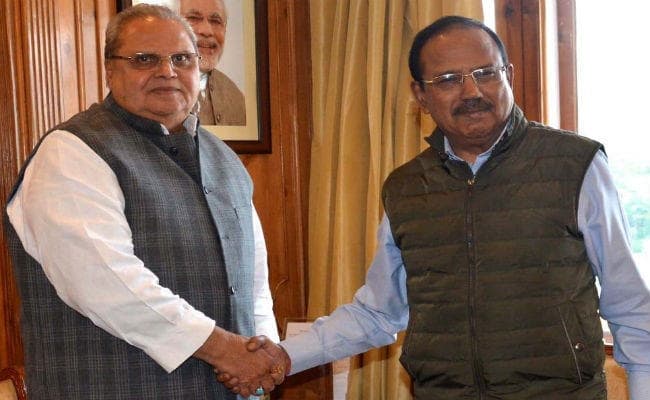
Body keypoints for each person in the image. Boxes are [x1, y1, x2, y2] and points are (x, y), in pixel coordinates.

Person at [225, 15, 650, 400]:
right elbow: (378, 313)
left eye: (486, 73)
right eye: (448, 79)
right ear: (421, 95)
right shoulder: (406, 189)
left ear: (509, 75)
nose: (472, 91)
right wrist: (282, 356)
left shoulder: (576, 165)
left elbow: (629, 306)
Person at [4, 4, 283, 399]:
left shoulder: (225, 160)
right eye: (144, 59)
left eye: (182, 59)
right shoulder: (72, 152)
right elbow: (107, 285)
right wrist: (225, 351)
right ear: (110, 70)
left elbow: (253, 283)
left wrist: (261, 358)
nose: (167, 71)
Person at [180, 0, 246, 126]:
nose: (207, 31)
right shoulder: (156, 90)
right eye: (193, 18)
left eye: (215, 21)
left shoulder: (236, 97)